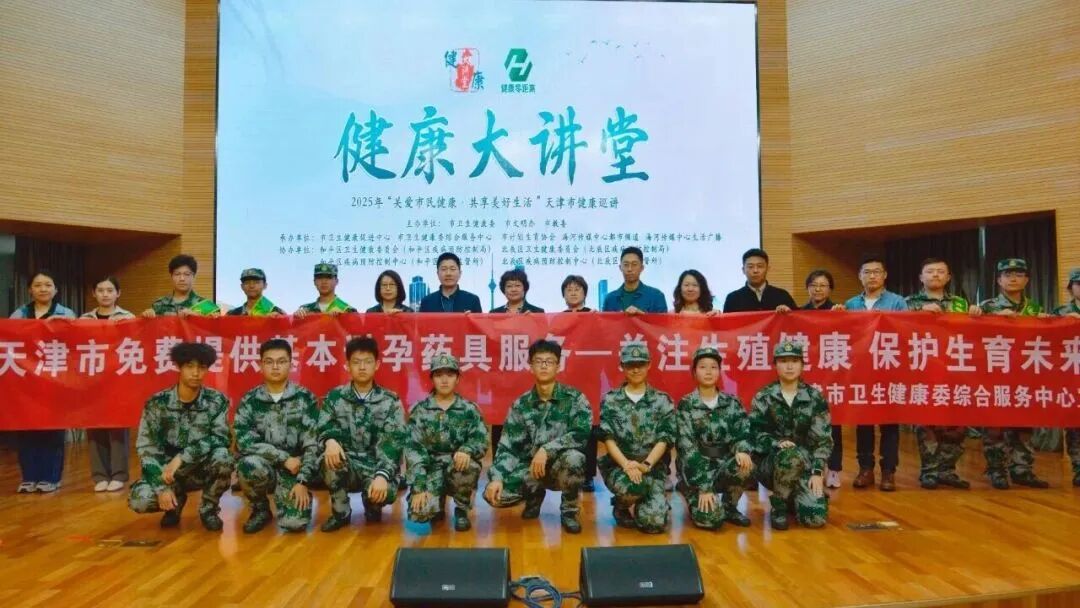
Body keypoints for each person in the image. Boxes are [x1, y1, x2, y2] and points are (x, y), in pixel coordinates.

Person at [483, 339, 590, 534]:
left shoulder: (575, 399)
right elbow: (508, 447)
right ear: (531, 366)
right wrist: (497, 478)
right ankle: (534, 496)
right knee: (496, 495)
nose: (544, 366)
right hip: (531, 468)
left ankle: (569, 512)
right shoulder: (521, 404)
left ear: (558, 366)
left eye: (549, 361)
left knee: (575, 458)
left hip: (561, 466)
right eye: (538, 361)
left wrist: (547, 449)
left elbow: (581, 435)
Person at [128, 343, 233, 530]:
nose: (196, 373)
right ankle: (173, 505)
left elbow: (222, 438)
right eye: (189, 366)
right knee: (140, 501)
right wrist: (161, 487)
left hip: (199, 468)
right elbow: (147, 448)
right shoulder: (157, 403)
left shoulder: (216, 401)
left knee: (223, 457)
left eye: (201, 367)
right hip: (167, 472)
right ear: (179, 367)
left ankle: (208, 509)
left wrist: (183, 457)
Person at [905, 258, 981, 490]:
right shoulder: (908, 303)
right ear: (921, 277)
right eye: (930, 271)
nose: (935, 275)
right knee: (927, 423)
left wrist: (978, 314)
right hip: (925, 370)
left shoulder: (960, 303)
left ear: (948, 277)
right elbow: (896, 328)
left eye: (941, 271)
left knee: (957, 424)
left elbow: (973, 333)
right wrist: (918, 313)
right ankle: (929, 471)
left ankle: (947, 470)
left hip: (956, 371)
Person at [317, 337, 407, 531]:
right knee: (327, 459)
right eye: (356, 362)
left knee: (384, 493)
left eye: (368, 362)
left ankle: (372, 503)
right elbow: (324, 426)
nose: (362, 367)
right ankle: (341, 512)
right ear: (347, 365)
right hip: (346, 463)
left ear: (377, 365)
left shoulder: (390, 401)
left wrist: (382, 475)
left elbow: (393, 443)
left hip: (375, 465)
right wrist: (330, 441)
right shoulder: (335, 397)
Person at [233, 339, 320, 533]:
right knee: (248, 464)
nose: (275, 367)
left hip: (295, 470)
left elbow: (312, 444)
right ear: (261, 365)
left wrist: (303, 481)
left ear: (290, 364)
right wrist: (282, 458)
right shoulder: (249, 400)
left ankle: (297, 498)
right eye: (269, 362)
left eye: (281, 361)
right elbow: (244, 440)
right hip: (265, 466)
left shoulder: (305, 398)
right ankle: (260, 509)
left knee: (294, 524)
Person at [979, 258, 1050, 489]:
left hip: (1024, 375)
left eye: (1019, 274)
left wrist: (1047, 324)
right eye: (1007, 274)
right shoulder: (986, 308)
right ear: (999, 280)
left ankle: (1022, 469)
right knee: (995, 426)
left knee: (1024, 425)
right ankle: (996, 470)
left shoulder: (1036, 309)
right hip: (996, 376)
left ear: (1027, 280)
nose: (1013, 278)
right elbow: (972, 339)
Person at [749, 340, 832, 530]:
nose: (789, 366)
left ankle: (795, 497)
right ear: (775, 365)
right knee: (789, 456)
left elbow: (823, 439)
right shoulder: (764, 397)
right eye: (783, 361)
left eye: (794, 361)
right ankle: (778, 505)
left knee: (815, 519)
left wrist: (817, 471)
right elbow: (753, 433)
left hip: (805, 466)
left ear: (802, 365)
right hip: (771, 465)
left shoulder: (814, 398)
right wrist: (775, 443)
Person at [597, 342, 676, 534]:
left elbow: (664, 439)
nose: (635, 369)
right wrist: (627, 465)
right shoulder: (611, 400)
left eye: (640, 364)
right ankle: (622, 505)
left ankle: (653, 500)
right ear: (622, 366)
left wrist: (646, 465)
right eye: (630, 365)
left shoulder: (662, 400)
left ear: (649, 365)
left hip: (652, 467)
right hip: (620, 467)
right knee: (632, 486)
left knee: (654, 523)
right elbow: (608, 438)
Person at [404, 354, 489, 531]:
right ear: (432, 379)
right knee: (420, 512)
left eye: (450, 375)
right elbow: (414, 450)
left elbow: (480, 439)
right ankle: (437, 504)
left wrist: (467, 449)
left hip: (457, 466)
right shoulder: (420, 411)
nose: (444, 380)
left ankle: (461, 509)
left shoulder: (469, 409)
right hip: (431, 468)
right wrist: (419, 486)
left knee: (468, 465)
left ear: (457, 379)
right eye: (438, 375)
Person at [844, 256, 907, 492]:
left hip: (889, 370)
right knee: (864, 422)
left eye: (876, 272)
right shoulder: (851, 304)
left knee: (889, 423)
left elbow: (906, 332)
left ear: (884, 275)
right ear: (860, 276)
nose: (872, 276)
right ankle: (865, 469)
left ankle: (888, 471)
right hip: (861, 371)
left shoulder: (897, 302)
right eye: (867, 272)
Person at [11, 270, 75, 494]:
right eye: (38, 285)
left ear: (55, 289)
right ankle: (29, 477)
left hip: (55, 382)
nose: (43, 289)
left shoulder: (66, 313)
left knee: (53, 430)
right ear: (30, 290)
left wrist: (64, 325)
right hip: (26, 383)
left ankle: (51, 477)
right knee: (26, 430)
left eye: (48, 285)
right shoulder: (19, 314)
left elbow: (76, 342)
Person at [675, 347, 754, 530]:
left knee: (746, 465)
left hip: (723, 465)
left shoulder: (732, 403)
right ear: (694, 372)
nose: (709, 371)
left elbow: (743, 433)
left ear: (719, 371)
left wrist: (742, 450)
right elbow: (687, 449)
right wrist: (703, 486)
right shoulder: (686, 405)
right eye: (703, 367)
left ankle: (730, 506)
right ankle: (690, 493)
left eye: (713, 367)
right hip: (696, 471)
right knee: (712, 520)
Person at [81, 276, 135, 492]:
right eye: (101, 290)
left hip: (118, 382)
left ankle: (119, 475)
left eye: (110, 290)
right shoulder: (84, 320)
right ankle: (99, 476)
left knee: (117, 429)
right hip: (92, 383)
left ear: (118, 293)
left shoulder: (128, 318)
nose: (105, 294)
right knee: (94, 429)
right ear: (94, 293)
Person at [801, 269, 844, 488]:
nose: (818, 289)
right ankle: (809, 468)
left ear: (830, 289)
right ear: (807, 288)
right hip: (808, 376)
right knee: (806, 424)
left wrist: (842, 316)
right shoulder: (799, 313)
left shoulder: (839, 311)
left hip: (832, 376)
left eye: (823, 285)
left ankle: (834, 469)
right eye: (814, 285)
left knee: (833, 423)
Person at [1054, 268, 1080, 487]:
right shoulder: (1061, 312)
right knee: (1075, 426)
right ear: (1071, 288)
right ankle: (1079, 468)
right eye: (1078, 284)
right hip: (1071, 377)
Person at [722, 248, 796, 313]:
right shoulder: (732, 299)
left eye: (760, 266)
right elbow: (726, 323)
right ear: (743, 270)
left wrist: (789, 312)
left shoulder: (782, 295)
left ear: (767, 269)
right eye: (750, 267)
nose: (755, 270)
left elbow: (796, 319)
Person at [602, 246, 668, 314]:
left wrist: (642, 317)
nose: (630, 269)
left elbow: (662, 321)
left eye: (634, 264)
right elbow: (603, 321)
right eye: (626, 265)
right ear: (620, 267)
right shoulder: (610, 299)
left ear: (642, 268)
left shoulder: (656, 296)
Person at [142, 254, 208, 317]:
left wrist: (197, 317)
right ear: (171, 276)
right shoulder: (160, 304)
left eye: (187, 274)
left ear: (194, 276)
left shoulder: (205, 305)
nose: (182, 279)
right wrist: (147, 315)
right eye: (177, 274)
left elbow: (213, 322)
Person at [418, 252, 483, 312]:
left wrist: (469, 318)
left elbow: (479, 321)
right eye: (444, 269)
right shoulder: (427, 302)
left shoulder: (472, 300)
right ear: (437, 273)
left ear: (460, 273)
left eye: (452, 269)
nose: (448, 273)